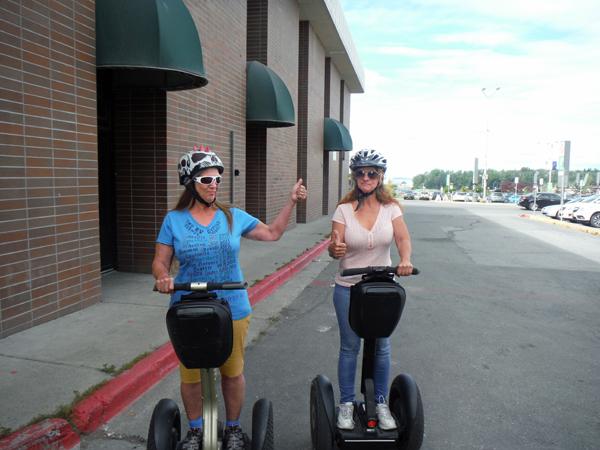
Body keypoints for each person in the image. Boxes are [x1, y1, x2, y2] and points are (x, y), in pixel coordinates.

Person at [153, 145, 307, 450]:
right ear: (190, 183)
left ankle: (233, 429)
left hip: (232, 306)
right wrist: (162, 276)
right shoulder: (174, 220)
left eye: (217, 180)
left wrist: (291, 201)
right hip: (187, 308)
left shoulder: (232, 216)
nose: (214, 186)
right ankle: (196, 430)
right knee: (192, 374)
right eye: (207, 180)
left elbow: (273, 233)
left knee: (231, 370)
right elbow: (160, 261)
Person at [327, 148, 413, 431]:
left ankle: (381, 402)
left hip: (382, 289)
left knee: (382, 348)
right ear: (354, 176)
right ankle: (347, 404)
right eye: (361, 172)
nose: (366, 177)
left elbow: (402, 239)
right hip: (348, 288)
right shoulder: (343, 210)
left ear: (380, 177)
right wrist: (335, 249)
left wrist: (406, 260)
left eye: (372, 173)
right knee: (350, 347)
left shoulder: (392, 209)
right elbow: (334, 244)